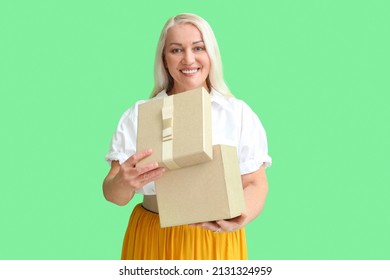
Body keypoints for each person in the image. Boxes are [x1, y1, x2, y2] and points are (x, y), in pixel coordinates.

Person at [103, 13, 272, 260]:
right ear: (164, 59)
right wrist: (123, 182)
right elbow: (113, 194)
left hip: (216, 238)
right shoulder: (139, 115)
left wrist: (240, 216)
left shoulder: (237, 114)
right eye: (176, 50)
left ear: (211, 54)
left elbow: (256, 183)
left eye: (198, 48)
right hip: (154, 236)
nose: (188, 59)